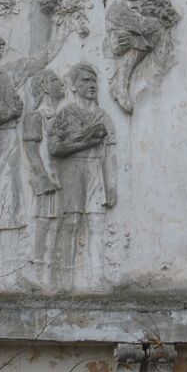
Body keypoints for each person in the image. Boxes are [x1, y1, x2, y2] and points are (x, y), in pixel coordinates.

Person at [0, 20, 68, 271]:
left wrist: (62, 28)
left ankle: (10, 273)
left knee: (9, 206)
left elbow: (38, 61)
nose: (2, 42)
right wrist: (10, 112)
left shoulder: (6, 75)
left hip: (8, 147)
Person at [48, 63, 117, 290]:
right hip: (73, 170)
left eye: (93, 81)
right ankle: (66, 278)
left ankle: (97, 276)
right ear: (74, 86)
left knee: (97, 223)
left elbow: (110, 154)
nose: (91, 85)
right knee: (72, 222)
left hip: (96, 170)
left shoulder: (103, 116)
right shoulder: (66, 114)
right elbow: (54, 147)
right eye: (85, 81)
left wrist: (112, 186)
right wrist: (83, 142)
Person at [106, 0, 178, 113]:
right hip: (121, 12)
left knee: (150, 34)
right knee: (150, 28)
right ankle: (120, 85)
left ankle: (122, 84)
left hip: (135, 10)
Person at [23, 69, 66, 283]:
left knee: (56, 222)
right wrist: (43, 177)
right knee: (43, 222)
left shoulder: (60, 116)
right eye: (56, 80)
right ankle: (35, 268)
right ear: (44, 87)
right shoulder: (35, 116)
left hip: (61, 178)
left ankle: (49, 270)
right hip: (46, 178)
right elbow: (31, 150)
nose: (62, 84)